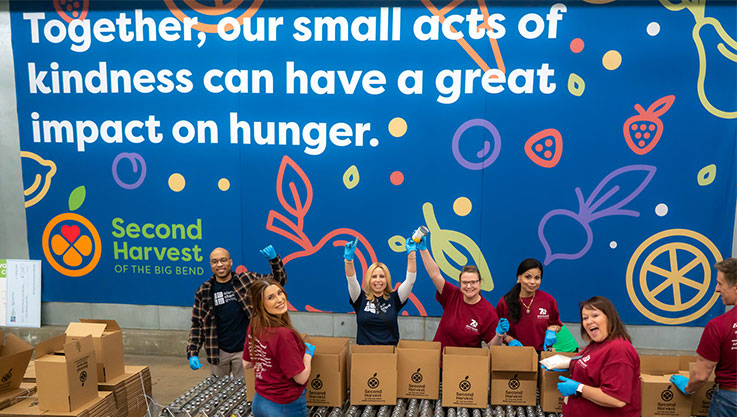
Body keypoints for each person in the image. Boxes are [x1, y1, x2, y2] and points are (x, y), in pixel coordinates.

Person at [187, 245, 286, 377]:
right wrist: (192, 352)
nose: (220, 264)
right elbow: (197, 324)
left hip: (245, 351)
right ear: (210, 265)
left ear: (230, 262)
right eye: (215, 261)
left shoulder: (246, 280)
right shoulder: (204, 291)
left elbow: (278, 281)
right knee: (219, 393)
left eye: (223, 260)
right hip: (218, 352)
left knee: (245, 392)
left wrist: (274, 260)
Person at [670, 258, 737, 417]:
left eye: (720, 284)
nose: (716, 289)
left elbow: (700, 375)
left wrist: (688, 388)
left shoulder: (719, 325)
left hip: (729, 402)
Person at [558, 296, 641, 417]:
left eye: (595, 315)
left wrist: (578, 388)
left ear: (610, 317)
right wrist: (569, 363)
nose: (589, 321)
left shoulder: (619, 349)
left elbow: (616, 399)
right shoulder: (598, 343)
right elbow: (593, 365)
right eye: (585, 318)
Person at [418, 235, 504, 350]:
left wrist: (499, 335)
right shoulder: (452, 295)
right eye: (465, 282)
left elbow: (493, 346)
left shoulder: (488, 311)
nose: (469, 286)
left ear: (480, 283)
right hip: (440, 362)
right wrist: (423, 249)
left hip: (467, 364)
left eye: (473, 282)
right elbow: (435, 274)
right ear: (460, 283)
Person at [243, 279, 314, 417]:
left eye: (279, 292)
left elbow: (247, 363)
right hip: (284, 406)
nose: (280, 299)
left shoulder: (255, 325)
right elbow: (300, 378)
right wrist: (307, 355)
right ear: (260, 305)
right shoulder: (283, 335)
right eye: (271, 297)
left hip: (260, 402)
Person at [344, 236, 416, 345]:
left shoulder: (395, 298)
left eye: (382, 276)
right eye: (374, 277)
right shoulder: (359, 298)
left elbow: (410, 281)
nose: (378, 280)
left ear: (387, 279)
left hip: (388, 355)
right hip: (363, 355)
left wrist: (411, 255)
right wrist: (348, 260)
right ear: (368, 279)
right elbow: (351, 280)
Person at [496, 258, 563, 351]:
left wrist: (552, 330)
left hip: (542, 355)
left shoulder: (548, 300)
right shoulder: (505, 302)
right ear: (519, 277)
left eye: (537, 278)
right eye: (528, 277)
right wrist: (509, 339)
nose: (532, 282)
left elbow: (557, 324)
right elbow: (498, 331)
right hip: (515, 353)